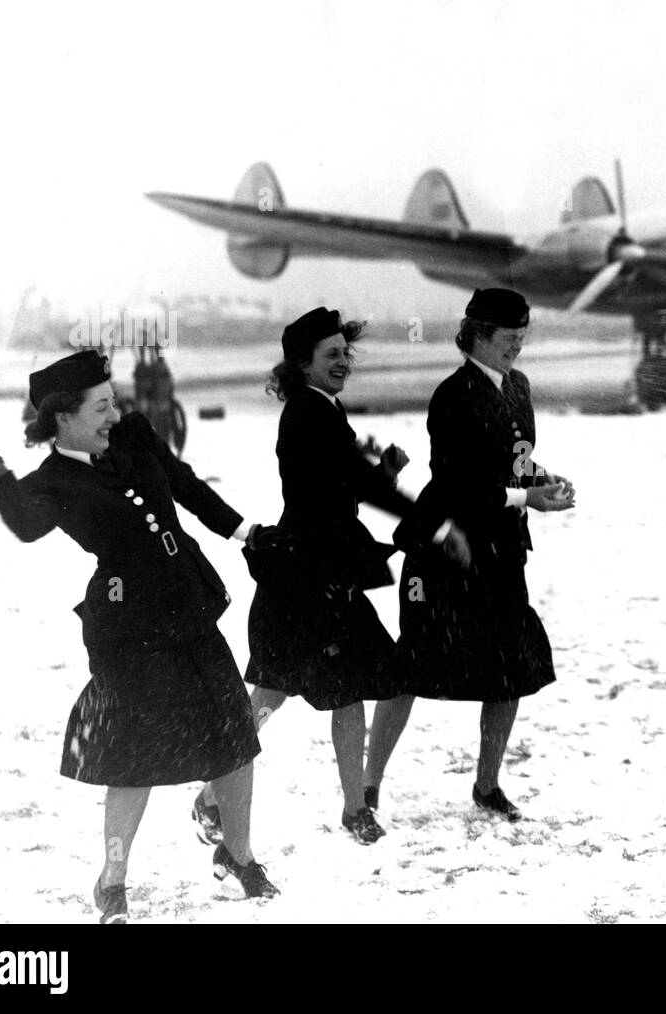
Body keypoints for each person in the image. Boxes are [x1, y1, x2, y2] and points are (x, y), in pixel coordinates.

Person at [0, 350, 281, 922]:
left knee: (234, 736)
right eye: (101, 406)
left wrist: (245, 532)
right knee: (136, 758)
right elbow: (25, 525)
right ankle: (112, 881)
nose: (113, 413)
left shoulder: (134, 435)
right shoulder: (52, 481)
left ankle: (238, 854)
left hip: (188, 604)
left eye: (112, 401)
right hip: (130, 629)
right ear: (63, 417)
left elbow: (186, 486)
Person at [193, 308, 470, 845]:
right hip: (304, 580)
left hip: (323, 575)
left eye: (346, 353)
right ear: (303, 364)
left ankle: (353, 809)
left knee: (342, 692)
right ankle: (210, 797)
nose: (344, 362)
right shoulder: (307, 414)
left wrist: (376, 474)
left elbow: (342, 485)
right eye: (332, 356)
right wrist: (431, 524)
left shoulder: (323, 409)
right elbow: (350, 486)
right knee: (273, 694)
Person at [377, 288, 575, 822]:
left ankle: (487, 786)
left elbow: (515, 461)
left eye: (522, 338)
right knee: (411, 668)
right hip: (449, 552)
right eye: (509, 339)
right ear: (479, 336)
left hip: (503, 552)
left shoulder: (519, 387)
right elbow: (461, 489)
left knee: (510, 667)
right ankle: (367, 789)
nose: (517, 348)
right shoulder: (452, 396)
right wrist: (522, 495)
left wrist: (542, 480)